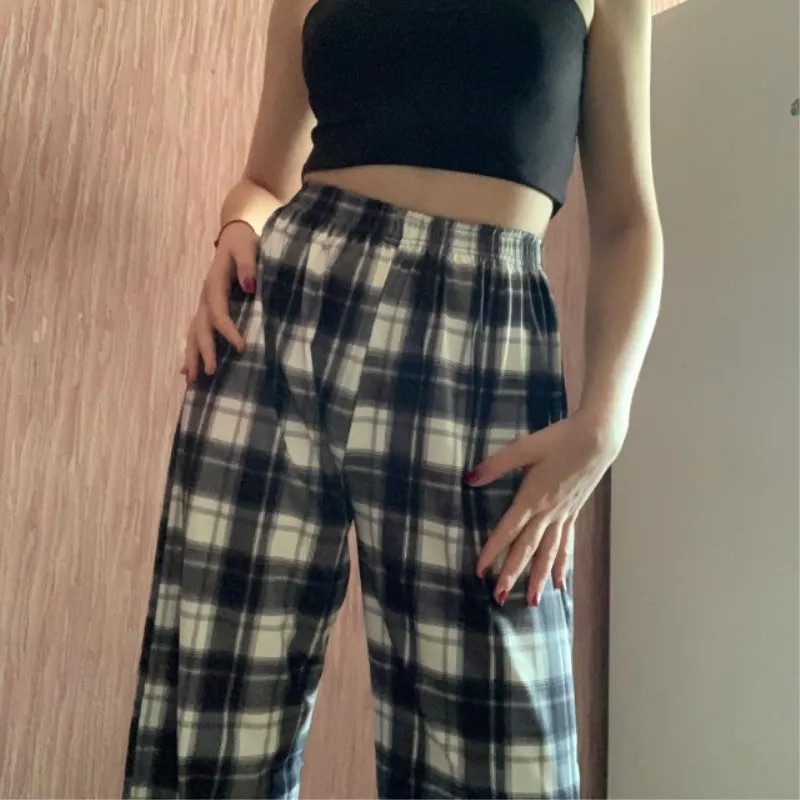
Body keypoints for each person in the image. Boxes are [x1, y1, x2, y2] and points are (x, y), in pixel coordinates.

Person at [123, 0, 663, 797]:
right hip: (280, 323)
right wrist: (236, 227)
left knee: (498, 750)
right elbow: (266, 181)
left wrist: (606, 420)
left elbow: (628, 222)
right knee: (213, 711)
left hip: (482, 345)